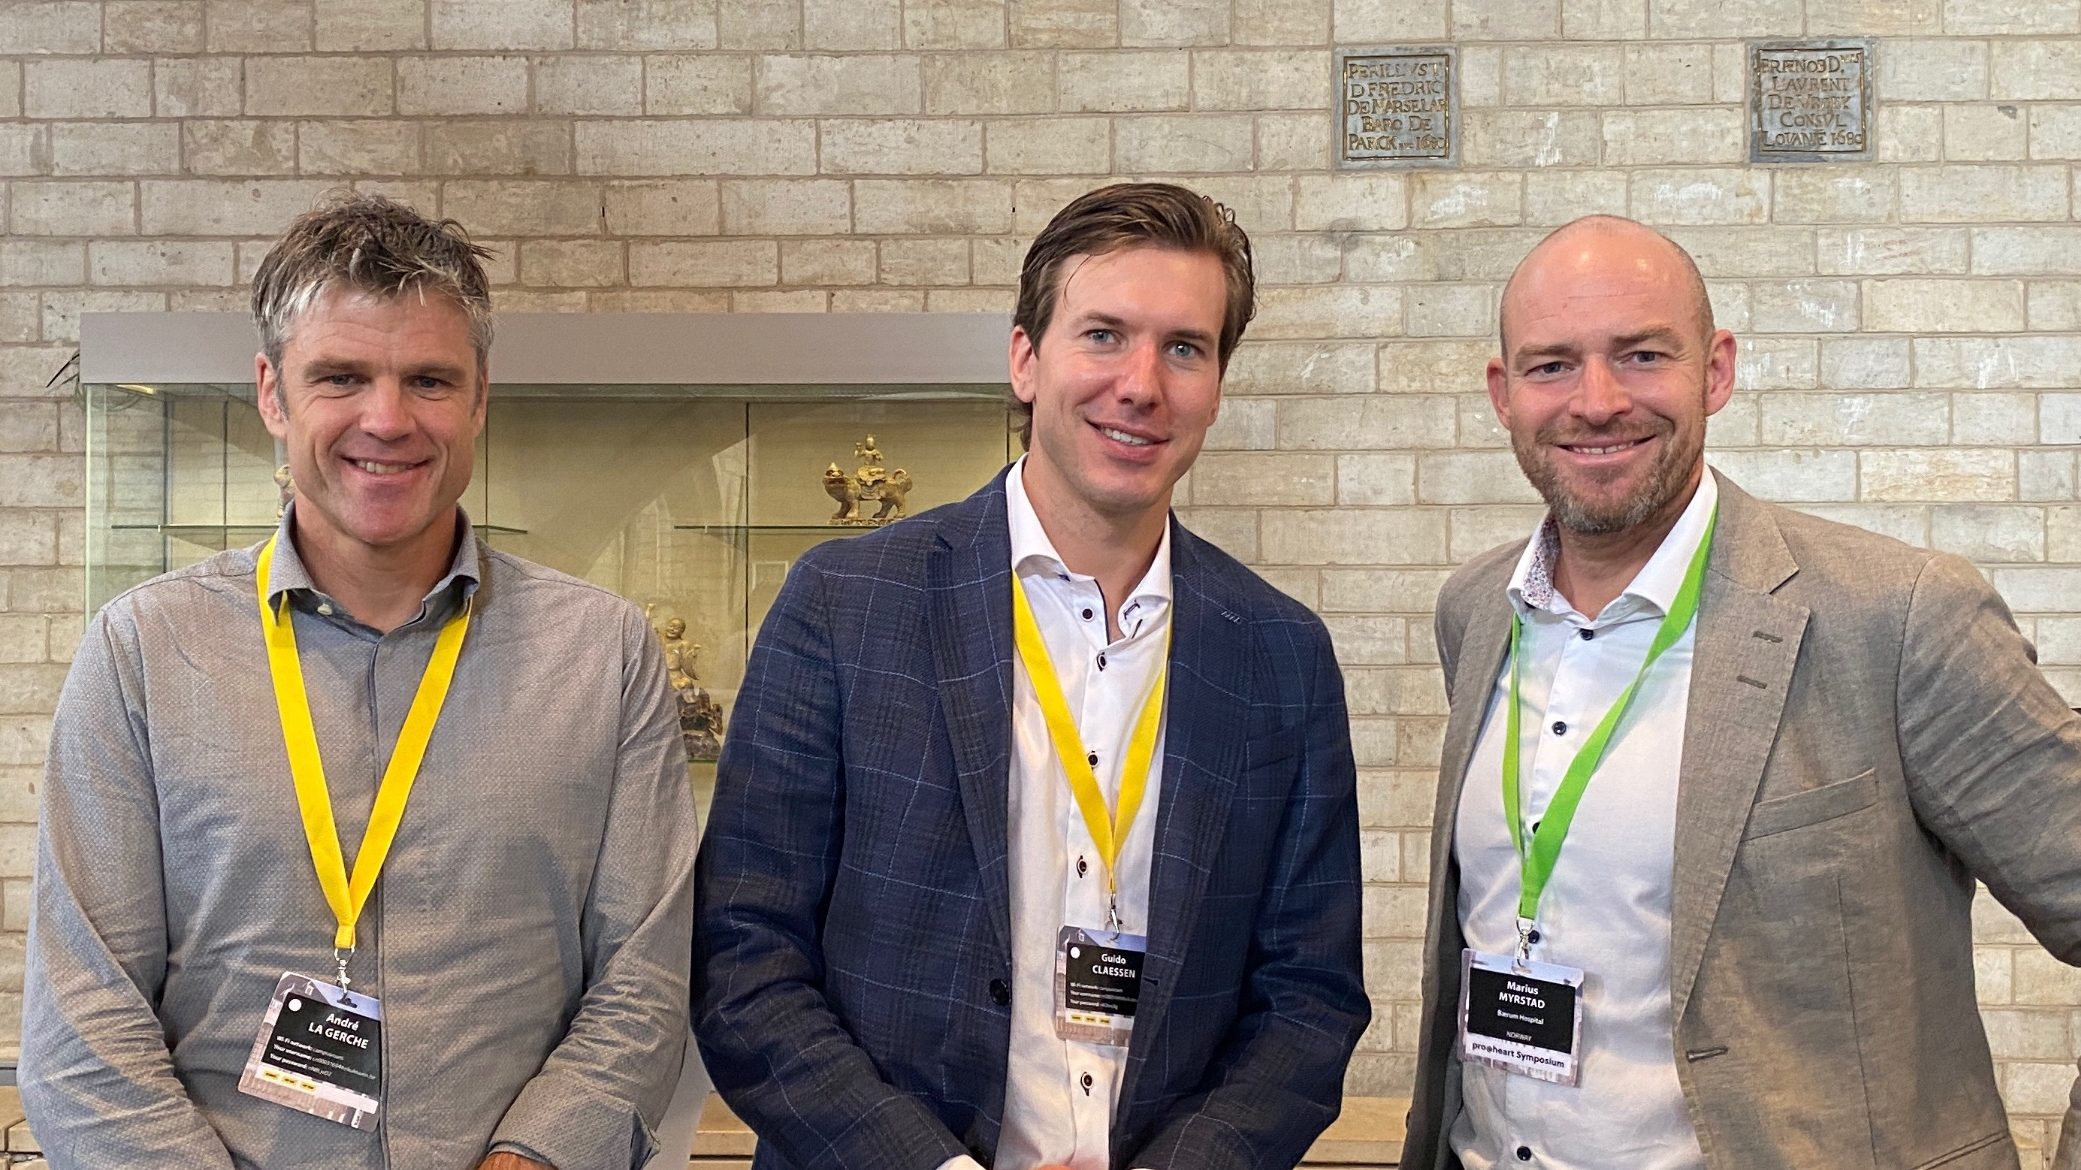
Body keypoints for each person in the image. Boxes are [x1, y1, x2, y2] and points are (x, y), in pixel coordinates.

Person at [693, 182, 1369, 1170]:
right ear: (1025, 357)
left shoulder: (1279, 653)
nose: (1141, 384)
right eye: (1102, 335)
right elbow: (744, 959)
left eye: (1184, 348)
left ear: (1218, 384)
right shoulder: (844, 605)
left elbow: (1307, 1002)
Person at [21, 194, 698, 1170]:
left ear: (479, 398)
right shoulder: (142, 653)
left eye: (429, 379)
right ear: (272, 394)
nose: (387, 420)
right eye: (341, 377)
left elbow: (642, 982)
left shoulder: (605, 655)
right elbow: (84, 1022)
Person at [1404, 214, 2081, 1169]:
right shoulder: (1476, 611)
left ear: (1714, 371)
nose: (1596, 402)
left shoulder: (1897, 617)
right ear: (1502, 393)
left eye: (1641, 355)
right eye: (1551, 365)